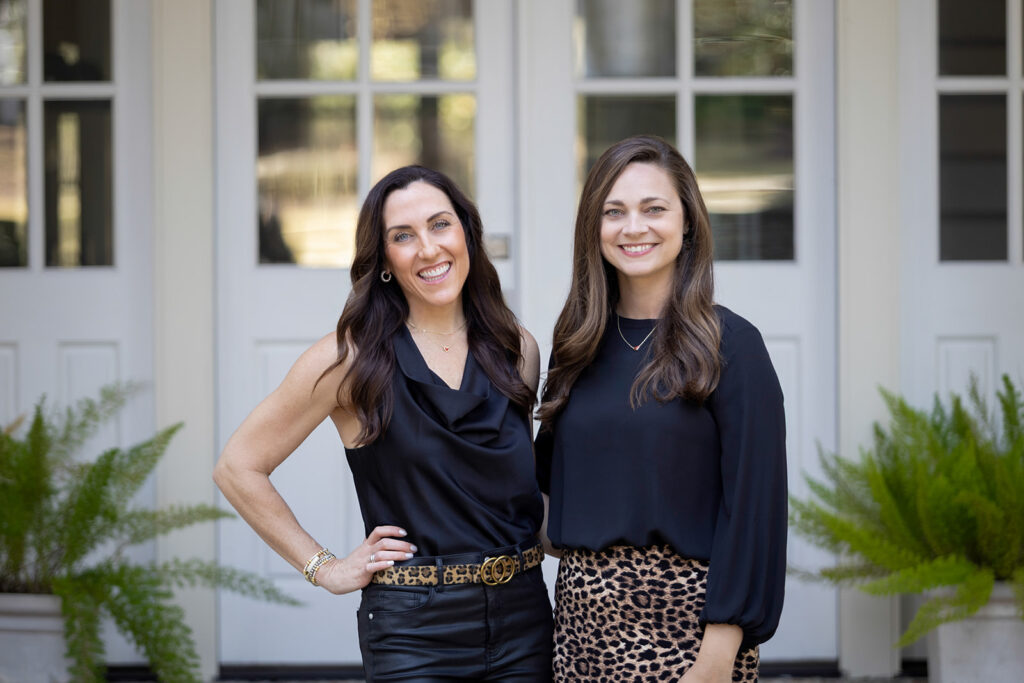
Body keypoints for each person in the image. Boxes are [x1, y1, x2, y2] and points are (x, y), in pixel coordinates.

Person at [214, 165, 553, 682]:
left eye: (440, 225)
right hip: (413, 631)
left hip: (524, 619)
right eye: (403, 236)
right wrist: (323, 567)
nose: (428, 248)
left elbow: (512, 494)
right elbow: (238, 467)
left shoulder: (516, 348)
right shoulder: (349, 360)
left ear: (466, 233)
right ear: (386, 260)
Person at [535, 135, 787, 682]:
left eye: (654, 209)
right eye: (614, 211)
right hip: (580, 634)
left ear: (688, 222)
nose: (634, 228)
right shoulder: (575, 343)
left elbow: (754, 511)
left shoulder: (732, 345)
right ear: (593, 228)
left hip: (691, 634)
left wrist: (717, 657)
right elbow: (544, 484)